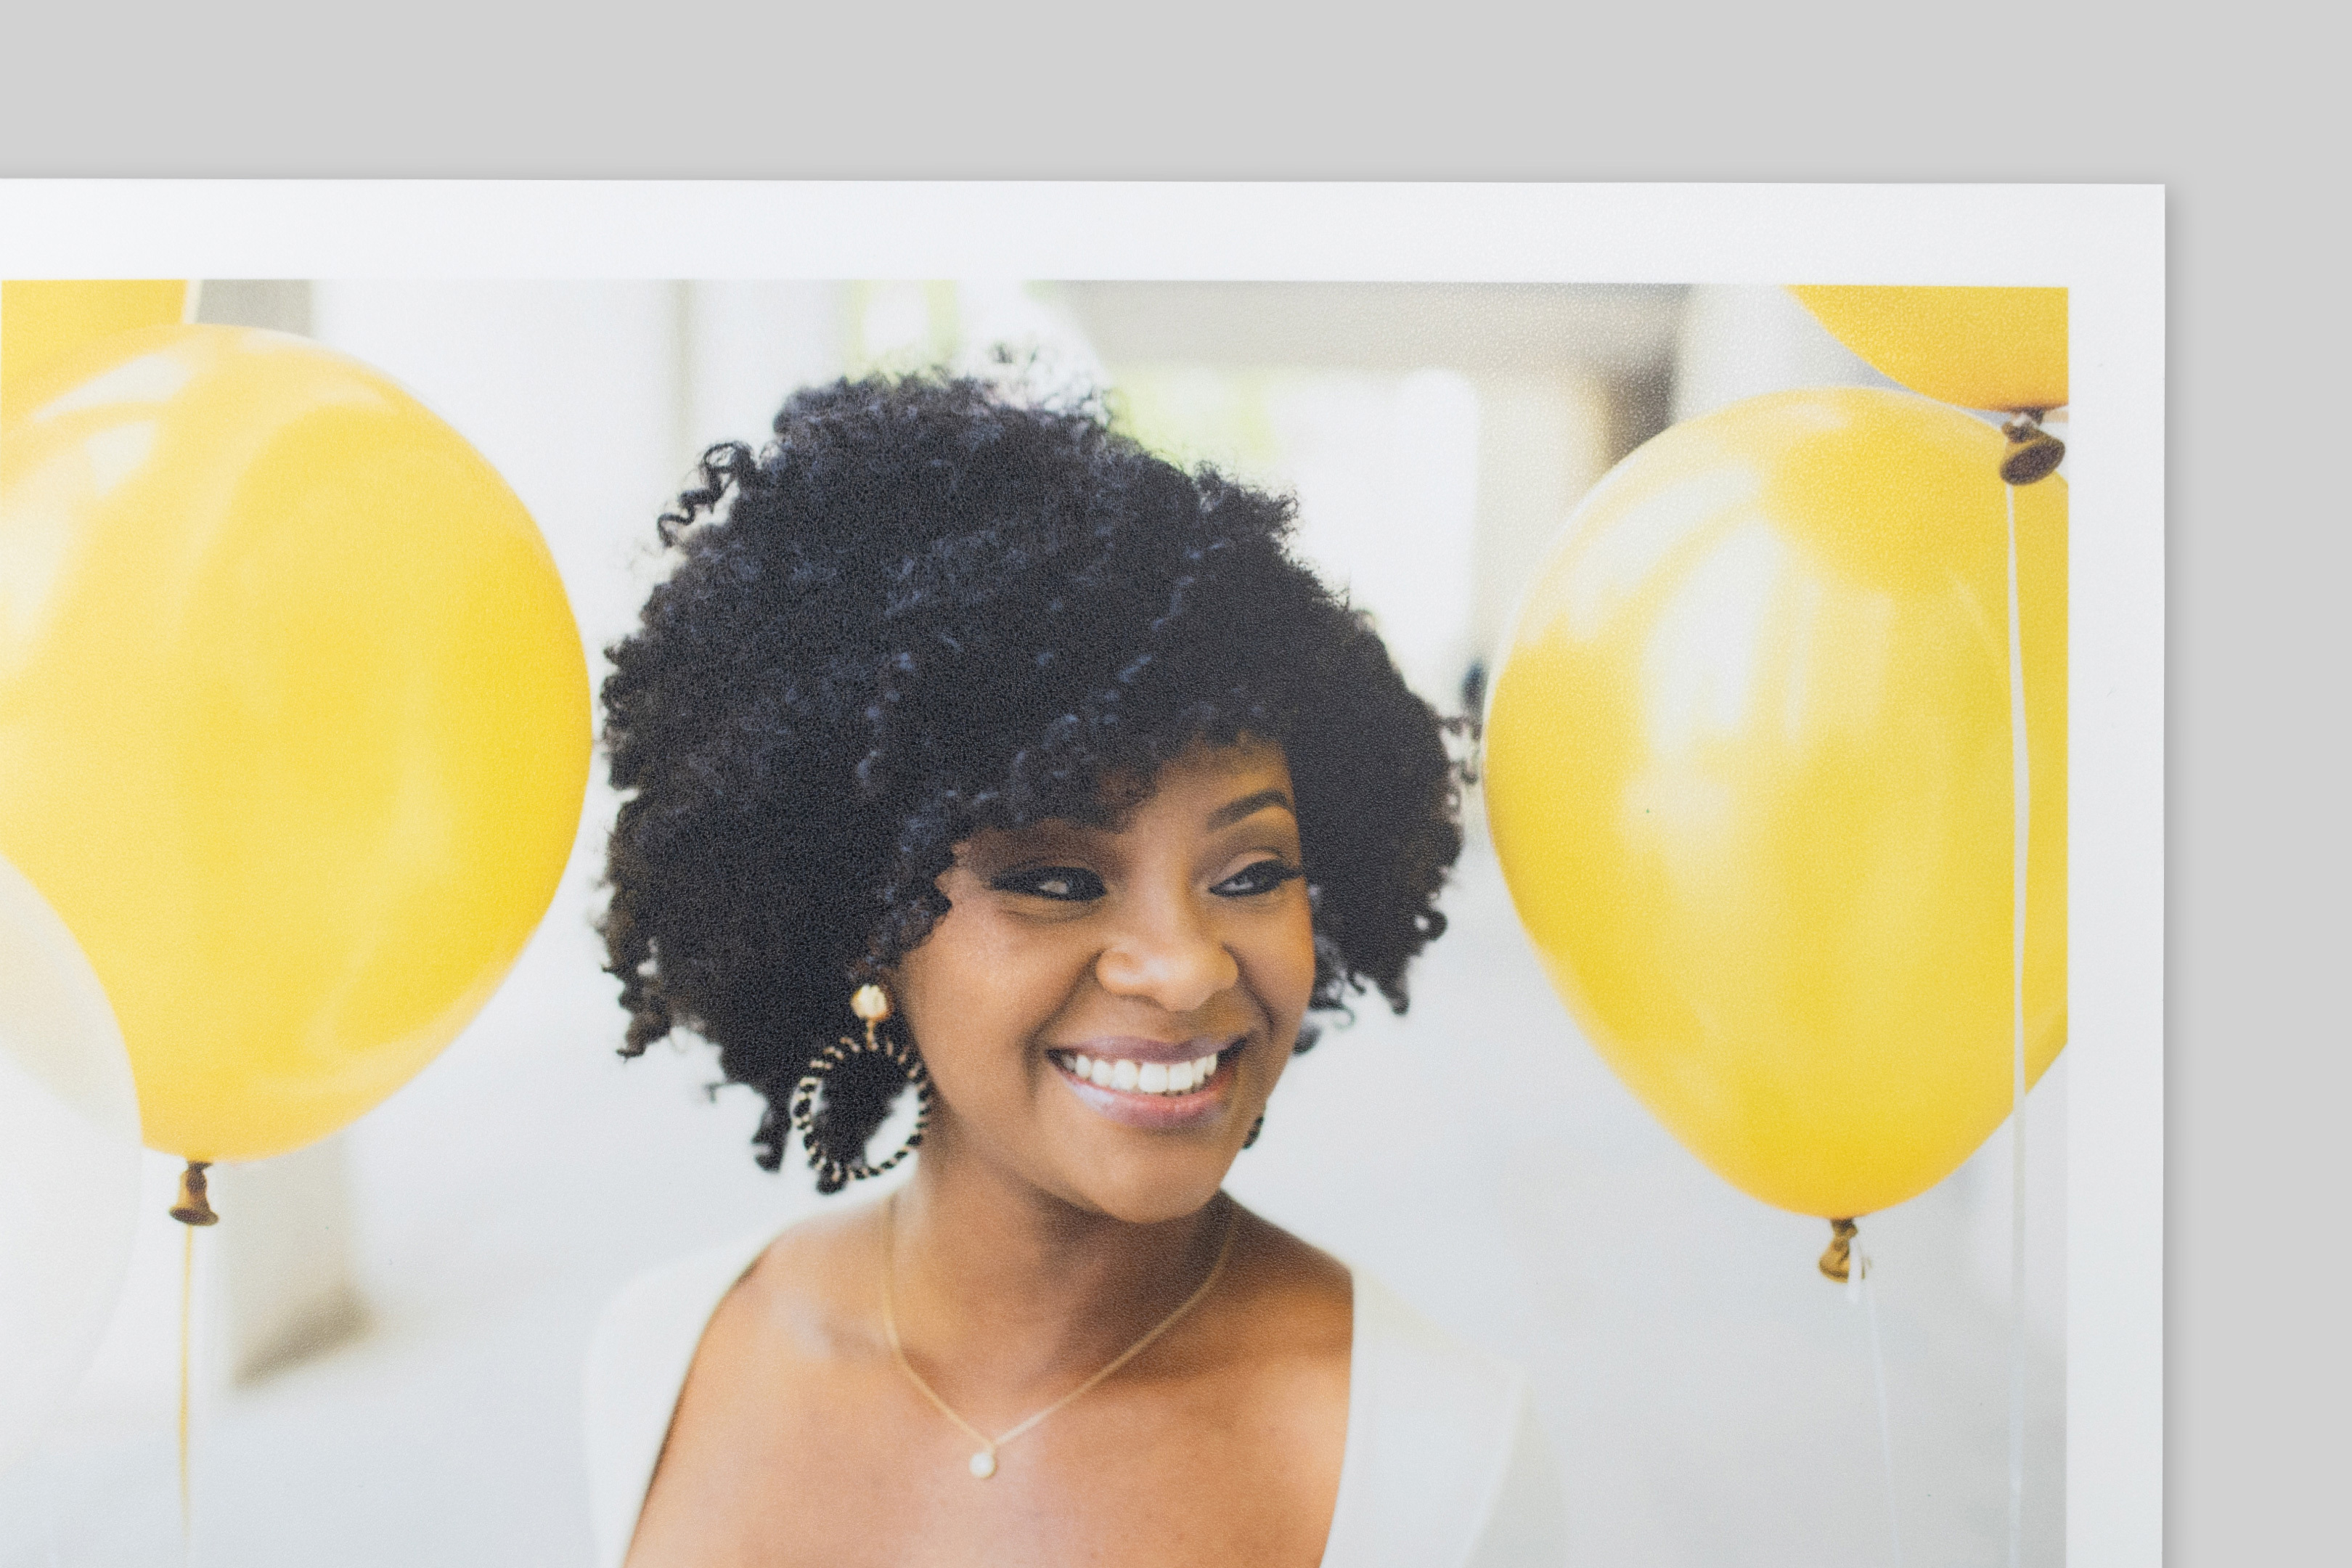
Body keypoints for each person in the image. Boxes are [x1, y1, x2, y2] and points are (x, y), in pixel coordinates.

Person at [584, 372, 1565, 1567]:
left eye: (1253, 872)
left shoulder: (1438, 1458)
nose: (1185, 967)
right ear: (861, 917)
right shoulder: (664, 1359)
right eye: (1055, 879)